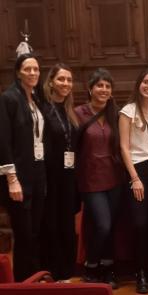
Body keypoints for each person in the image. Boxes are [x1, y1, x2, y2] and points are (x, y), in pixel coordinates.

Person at [75, 68, 123, 289]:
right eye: (99, 85)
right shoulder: (77, 113)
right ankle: (91, 264)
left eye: (107, 86)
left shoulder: (115, 114)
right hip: (90, 179)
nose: (103, 90)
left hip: (114, 179)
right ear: (90, 88)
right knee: (102, 225)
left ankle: (107, 267)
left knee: (110, 225)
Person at [0, 53, 46, 282]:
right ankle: (21, 283)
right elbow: (3, 141)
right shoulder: (8, 98)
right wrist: (11, 179)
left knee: (35, 233)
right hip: (19, 178)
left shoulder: (35, 99)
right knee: (24, 234)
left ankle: (33, 280)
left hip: (37, 174)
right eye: (28, 69)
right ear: (18, 71)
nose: (33, 73)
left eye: (36, 69)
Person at [119, 68, 148, 293]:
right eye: (145, 82)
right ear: (139, 84)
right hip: (137, 171)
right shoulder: (128, 111)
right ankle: (140, 272)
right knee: (140, 224)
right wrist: (135, 178)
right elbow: (123, 147)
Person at [40, 63, 78, 282]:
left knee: (66, 226)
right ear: (51, 81)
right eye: (61, 79)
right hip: (50, 179)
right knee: (51, 227)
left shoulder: (69, 110)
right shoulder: (44, 110)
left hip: (68, 179)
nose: (65, 84)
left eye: (69, 80)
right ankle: (50, 273)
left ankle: (66, 274)